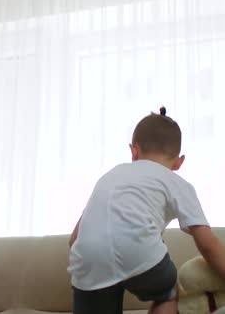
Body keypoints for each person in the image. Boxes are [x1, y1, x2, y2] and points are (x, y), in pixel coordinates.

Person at [68, 107, 225, 314]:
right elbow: (207, 244)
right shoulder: (177, 182)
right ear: (179, 162)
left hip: (87, 259)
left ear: (134, 151)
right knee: (168, 290)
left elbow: (74, 239)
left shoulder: (110, 176)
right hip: (138, 252)